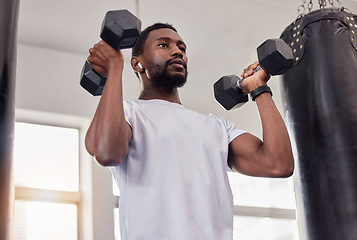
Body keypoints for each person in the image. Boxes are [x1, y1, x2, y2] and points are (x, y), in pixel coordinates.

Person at [85, 23, 294, 240]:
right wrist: (114, 67)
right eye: (163, 45)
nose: (177, 52)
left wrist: (258, 88)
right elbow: (107, 151)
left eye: (182, 49)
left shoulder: (217, 127)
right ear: (137, 63)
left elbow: (278, 164)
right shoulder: (128, 113)